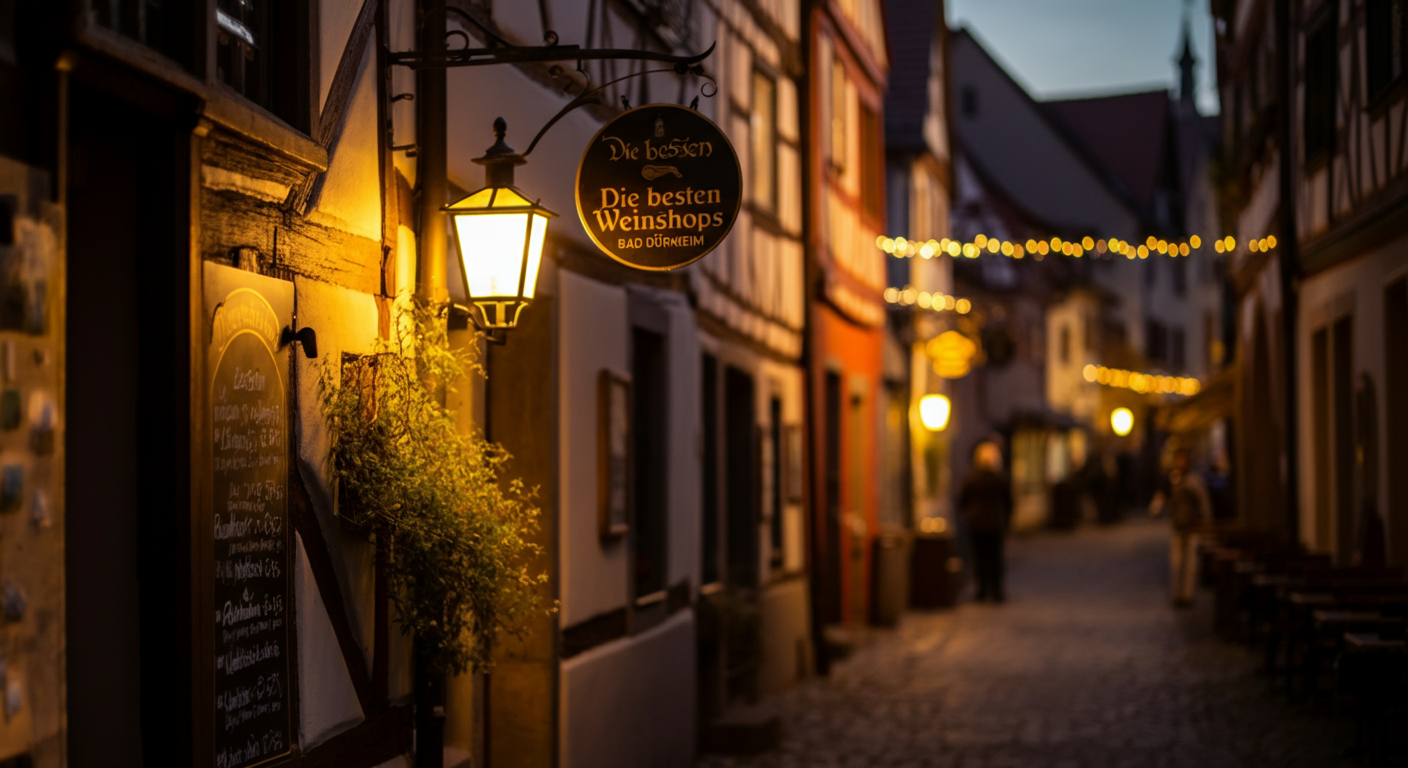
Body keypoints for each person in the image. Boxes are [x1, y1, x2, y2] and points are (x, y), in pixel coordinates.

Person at [1149, 447, 1210, 607]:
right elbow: (1162, 496)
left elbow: (1203, 503)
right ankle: (1177, 595)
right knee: (1176, 564)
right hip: (1177, 526)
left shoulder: (1194, 481)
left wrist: (1205, 523)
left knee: (1191, 565)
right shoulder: (1171, 479)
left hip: (1192, 527)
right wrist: (1155, 508)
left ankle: (1187, 596)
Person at [959, 442, 1013, 603]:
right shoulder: (999, 478)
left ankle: (982, 591)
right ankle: (996, 592)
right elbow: (1009, 502)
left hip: (977, 524)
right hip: (995, 524)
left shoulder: (971, 479)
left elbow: (963, 500)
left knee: (980, 558)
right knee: (995, 558)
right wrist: (1006, 520)